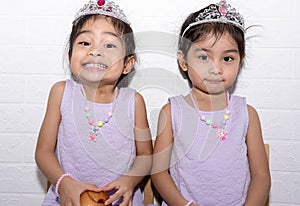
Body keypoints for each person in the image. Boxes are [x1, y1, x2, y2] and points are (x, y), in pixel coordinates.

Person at [151, 0, 271, 205]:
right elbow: (159, 172)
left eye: (227, 59)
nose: (216, 69)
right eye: (204, 57)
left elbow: (261, 175)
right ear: (183, 61)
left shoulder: (246, 114)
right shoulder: (172, 111)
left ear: (240, 60)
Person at [35, 0, 153, 205]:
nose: (95, 51)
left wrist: (130, 180)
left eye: (109, 45)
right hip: (68, 196)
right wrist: (63, 183)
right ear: (71, 55)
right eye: (85, 43)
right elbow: (43, 152)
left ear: (127, 64)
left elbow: (146, 155)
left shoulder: (133, 101)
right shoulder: (61, 93)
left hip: (119, 199)